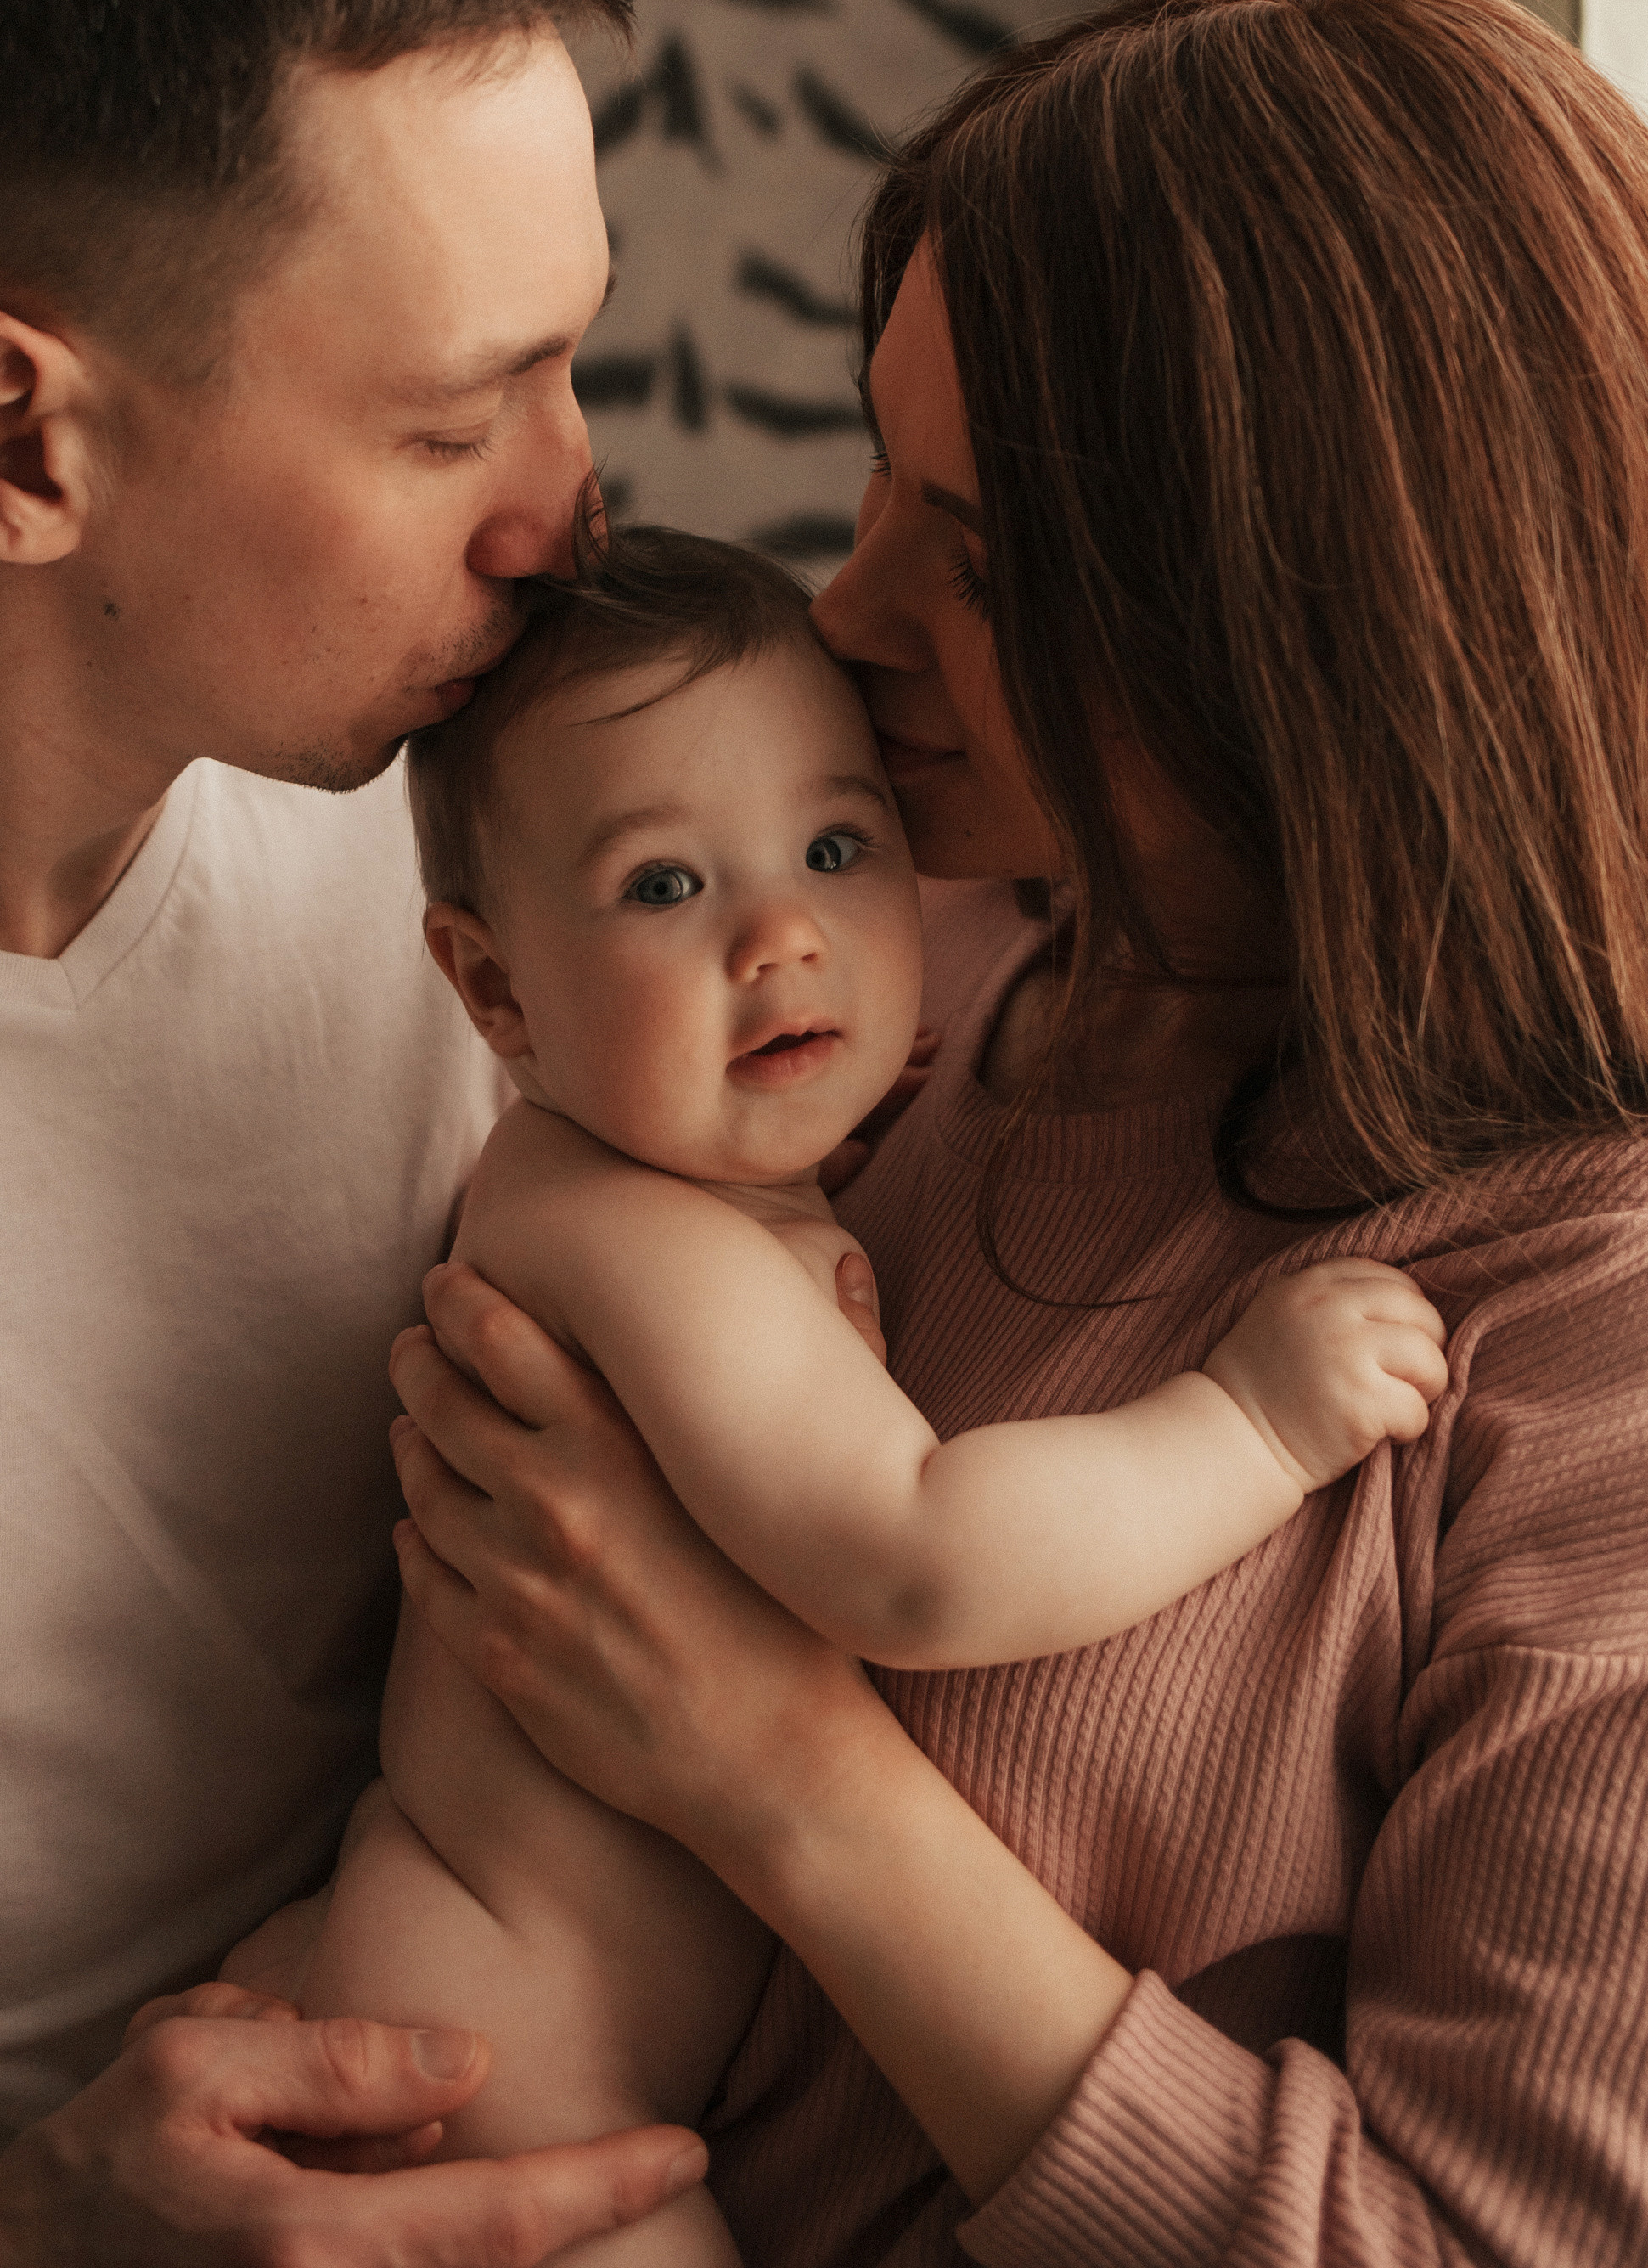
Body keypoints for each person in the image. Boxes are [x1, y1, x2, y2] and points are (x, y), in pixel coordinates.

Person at [379, 0, 1648, 2268]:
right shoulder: (917, 994)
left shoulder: (1642, 1334)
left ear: (1318, 638)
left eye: (988, 563)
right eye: (882, 476)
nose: (854, 609)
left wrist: (791, 1784)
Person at [0, 0, 717, 2263]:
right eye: (453, 415)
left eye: (570, 361)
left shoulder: (499, 826)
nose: (569, 507)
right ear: (15, 444)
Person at [238, 523, 1444, 2265]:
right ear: (494, 986)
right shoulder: (628, 1233)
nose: (784, 940)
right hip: (515, 2108)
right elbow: (916, 1559)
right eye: (667, 887)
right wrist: (1250, 1426)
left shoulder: (703, 1186)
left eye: (835, 844)